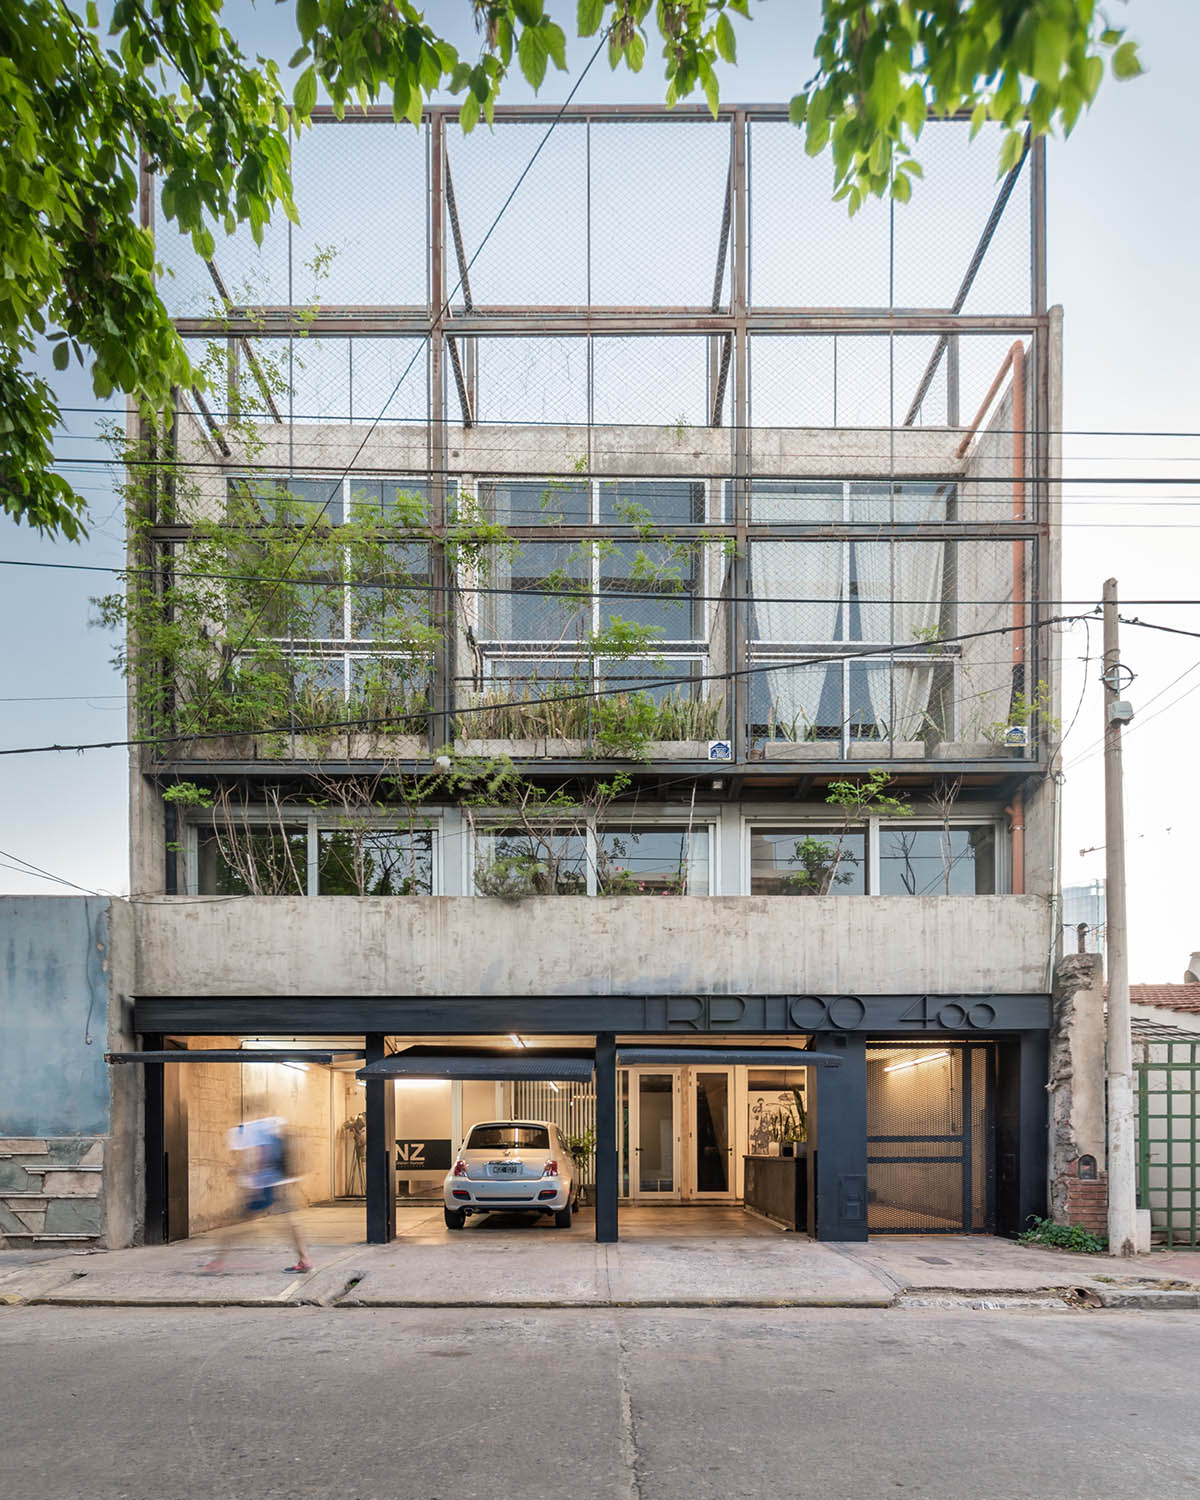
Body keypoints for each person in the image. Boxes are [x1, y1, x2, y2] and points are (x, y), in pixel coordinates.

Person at [201, 1114, 312, 1274]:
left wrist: (254, 1188)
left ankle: (218, 1262)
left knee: (237, 1223)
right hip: (279, 1181)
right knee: (289, 1223)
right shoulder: (269, 1126)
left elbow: (261, 1156)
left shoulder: (246, 1132)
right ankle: (305, 1259)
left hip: (265, 1185)